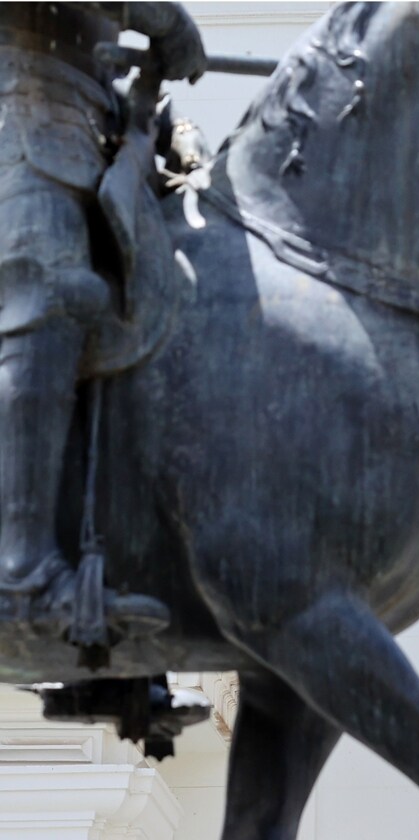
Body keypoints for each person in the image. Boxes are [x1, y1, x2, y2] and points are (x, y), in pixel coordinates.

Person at [0, 3, 205, 645]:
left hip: (89, 127)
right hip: (21, 121)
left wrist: (150, 114)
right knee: (50, 287)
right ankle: (22, 575)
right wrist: (166, 23)